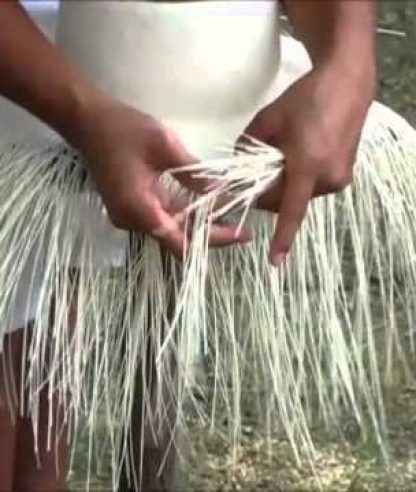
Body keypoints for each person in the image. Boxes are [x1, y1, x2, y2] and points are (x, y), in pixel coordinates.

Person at [0, 0, 376, 490]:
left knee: (34, 384)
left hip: (114, 54)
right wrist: (79, 110)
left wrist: (348, 61)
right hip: (46, 55)